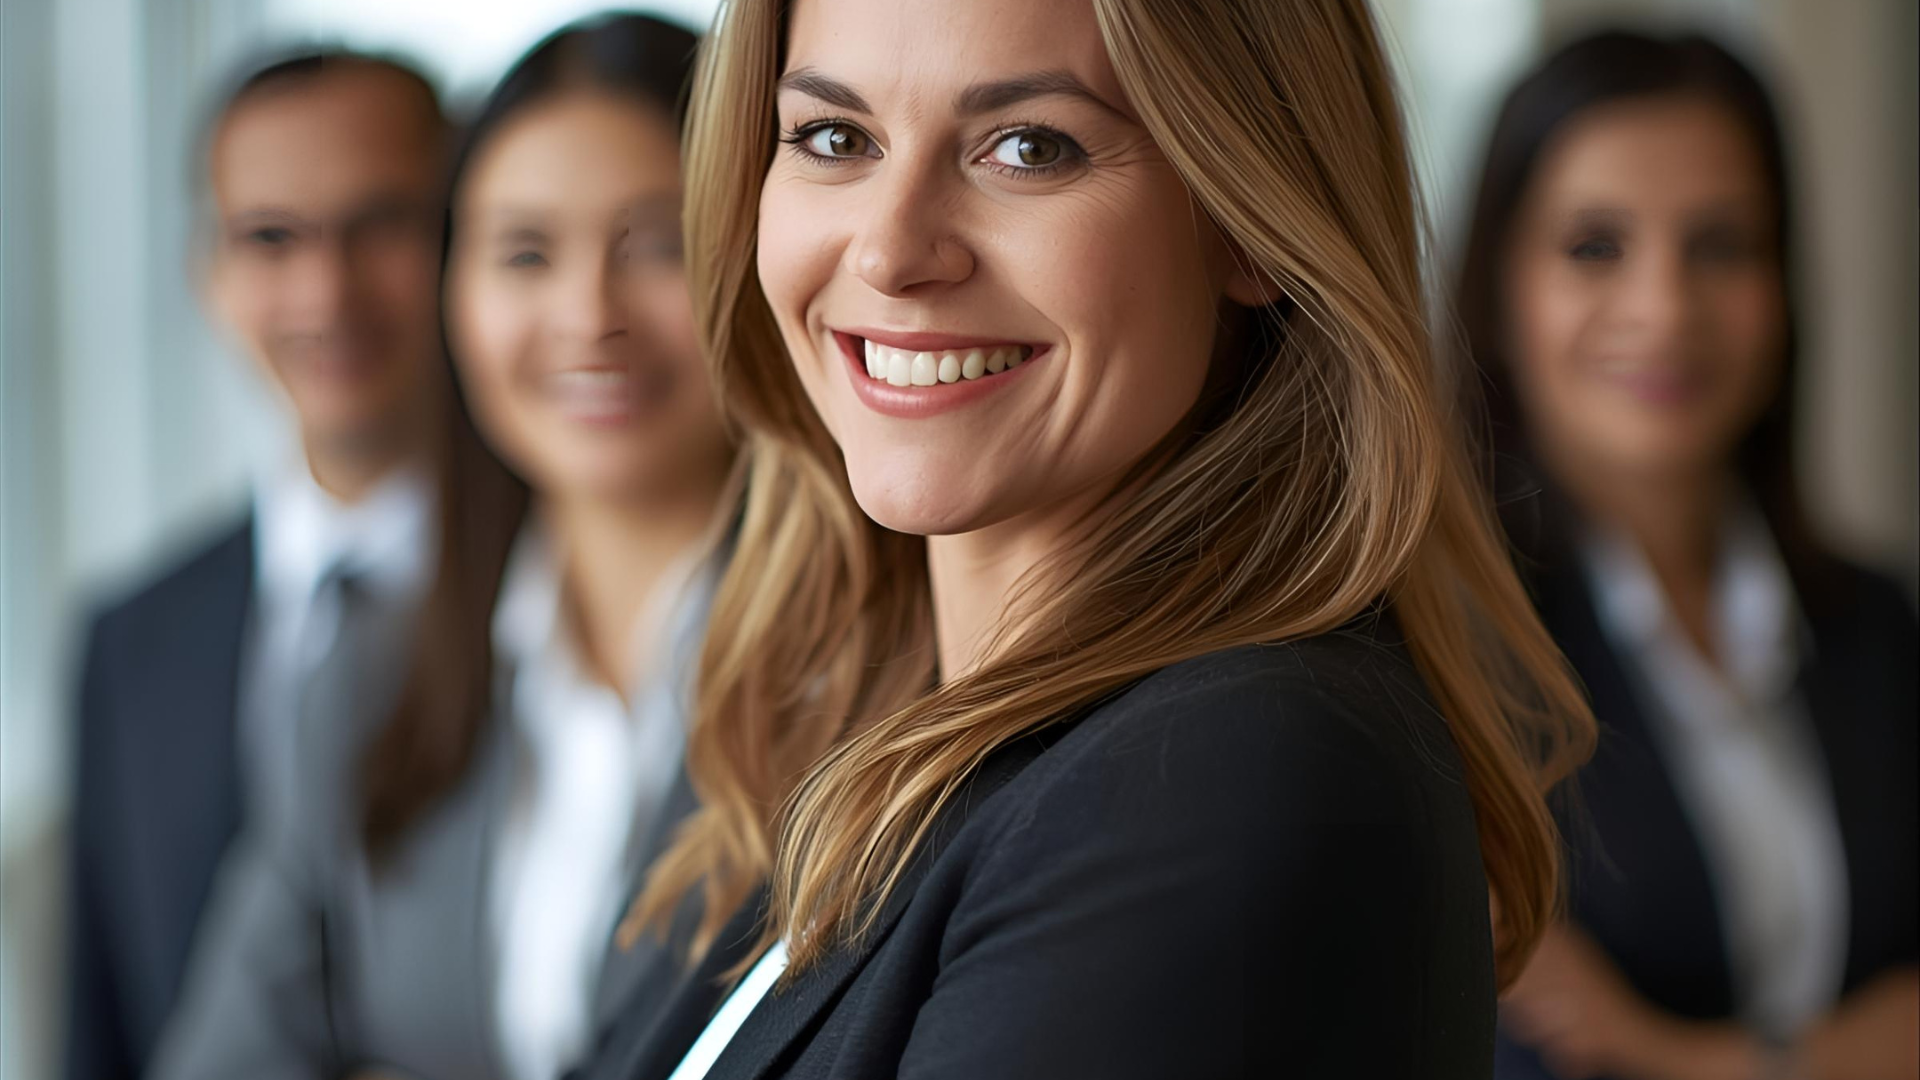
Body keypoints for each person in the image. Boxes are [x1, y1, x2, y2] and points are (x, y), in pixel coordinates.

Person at [582, 0, 1598, 1077]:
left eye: (1028, 147)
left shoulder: (1222, 776)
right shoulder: (813, 715)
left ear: (1250, 218)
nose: (888, 251)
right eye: (837, 138)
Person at [148, 14, 734, 1080]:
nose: (586, 313)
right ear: (455, 295)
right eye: (525, 252)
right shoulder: (367, 677)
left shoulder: (885, 668)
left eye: (656, 244)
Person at [1454, 30, 1920, 1080]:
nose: (1665, 310)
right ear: (1499, 288)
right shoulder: (1433, 654)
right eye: (1594, 246)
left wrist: (1686, 1059)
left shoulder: (1876, 627)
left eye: (1721, 245)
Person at [63, 48, 449, 1080]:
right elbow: (96, 1031)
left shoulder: (574, 589)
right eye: (271, 238)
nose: (326, 291)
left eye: (380, 225)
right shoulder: (130, 641)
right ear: (210, 276)